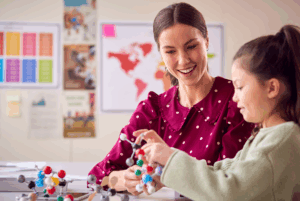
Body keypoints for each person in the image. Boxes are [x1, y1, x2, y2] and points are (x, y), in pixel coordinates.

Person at [88, 2, 254, 195]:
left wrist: (170, 169)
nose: (183, 60)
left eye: (191, 46)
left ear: (206, 41)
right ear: (160, 53)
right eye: (170, 51)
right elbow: (98, 176)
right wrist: (124, 179)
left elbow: (233, 185)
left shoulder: (237, 100)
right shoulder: (152, 110)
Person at [137, 24, 300, 200]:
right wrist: (169, 173)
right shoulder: (268, 135)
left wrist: (170, 158)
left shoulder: (282, 138)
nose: (235, 98)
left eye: (239, 87)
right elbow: (225, 171)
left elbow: (229, 191)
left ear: (272, 88)